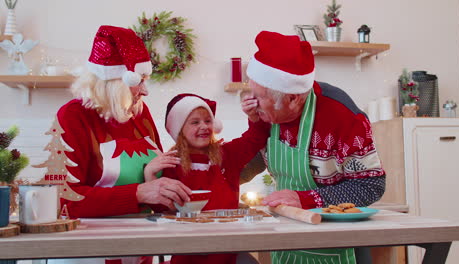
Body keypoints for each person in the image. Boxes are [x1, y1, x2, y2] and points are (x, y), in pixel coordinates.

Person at [52, 25, 191, 264]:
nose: (145, 91)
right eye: (140, 81)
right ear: (115, 82)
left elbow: (155, 175)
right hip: (89, 252)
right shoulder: (72, 117)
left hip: (139, 247)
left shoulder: (139, 113)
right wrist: (138, 192)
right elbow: (65, 201)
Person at [243, 31, 386, 264]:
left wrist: (308, 200)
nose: (250, 102)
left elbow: (371, 184)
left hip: (338, 247)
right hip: (288, 245)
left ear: (293, 99)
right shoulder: (269, 117)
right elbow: (256, 162)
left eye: (258, 97)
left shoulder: (344, 118)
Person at [144, 93, 270, 264]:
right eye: (195, 122)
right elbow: (161, 207)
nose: (203, 126)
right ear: (179, 129)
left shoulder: (227, 155)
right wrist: (150, 175)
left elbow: (255, 138)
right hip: (187, 252)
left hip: (227, 250)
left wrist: (254, 117)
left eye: (208, 121)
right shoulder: (171, 163)